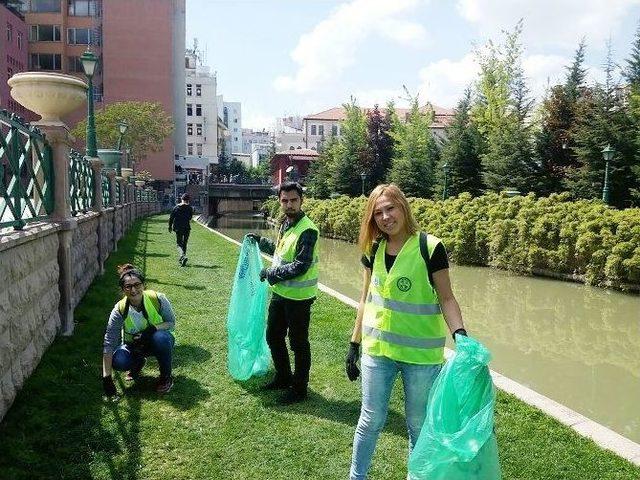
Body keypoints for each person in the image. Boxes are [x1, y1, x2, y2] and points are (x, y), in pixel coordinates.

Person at [345, 184, 467, 479]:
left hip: (421, 357)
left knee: (418, 425)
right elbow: (365, 300)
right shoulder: (372, 249)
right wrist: (354, 343)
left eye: (390, 209)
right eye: (378, 213)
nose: (386, 217)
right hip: (378, 352)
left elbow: (447, 298)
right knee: (370, 421)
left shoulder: (430, 248)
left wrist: (461, 335)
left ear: (403, 207)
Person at [246, 181, 319, 404]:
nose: (289, 204)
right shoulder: (285, 224)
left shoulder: (308, 229)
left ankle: (299, 389)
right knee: (273, 336)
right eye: (285, 200)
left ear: (301, 201)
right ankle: (284, 377)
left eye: (293, 200)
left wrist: (270, 273)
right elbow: (280, 251)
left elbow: (300, 265)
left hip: (299, 298)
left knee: (298, 344)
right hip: (281, 294)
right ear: (280, 201)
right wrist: (260, 241)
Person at [102, 264, 177, 397]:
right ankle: (138, 361)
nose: (133, 290)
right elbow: (109, 343)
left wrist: (152, 329)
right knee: (119, 360)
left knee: (161, 337)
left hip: (158, 342)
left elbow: (171, 322)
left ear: (143, 285)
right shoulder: (119, 309)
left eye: (137, 284)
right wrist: (107, 378)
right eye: (128, 286)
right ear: (123, 289)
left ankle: (166, 377)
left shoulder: (158, 299)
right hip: (134, 346)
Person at [169, 193, 194, 266]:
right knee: (185, 243)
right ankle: (183, 257)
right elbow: (189, 218)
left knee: (179, 244)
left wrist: (170, 226)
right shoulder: (190, 208)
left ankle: (183, 256)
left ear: (181, 199)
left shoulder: (176, 207)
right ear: (188, 200)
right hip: (186, 228)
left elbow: (171, 218)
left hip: (178, 228)